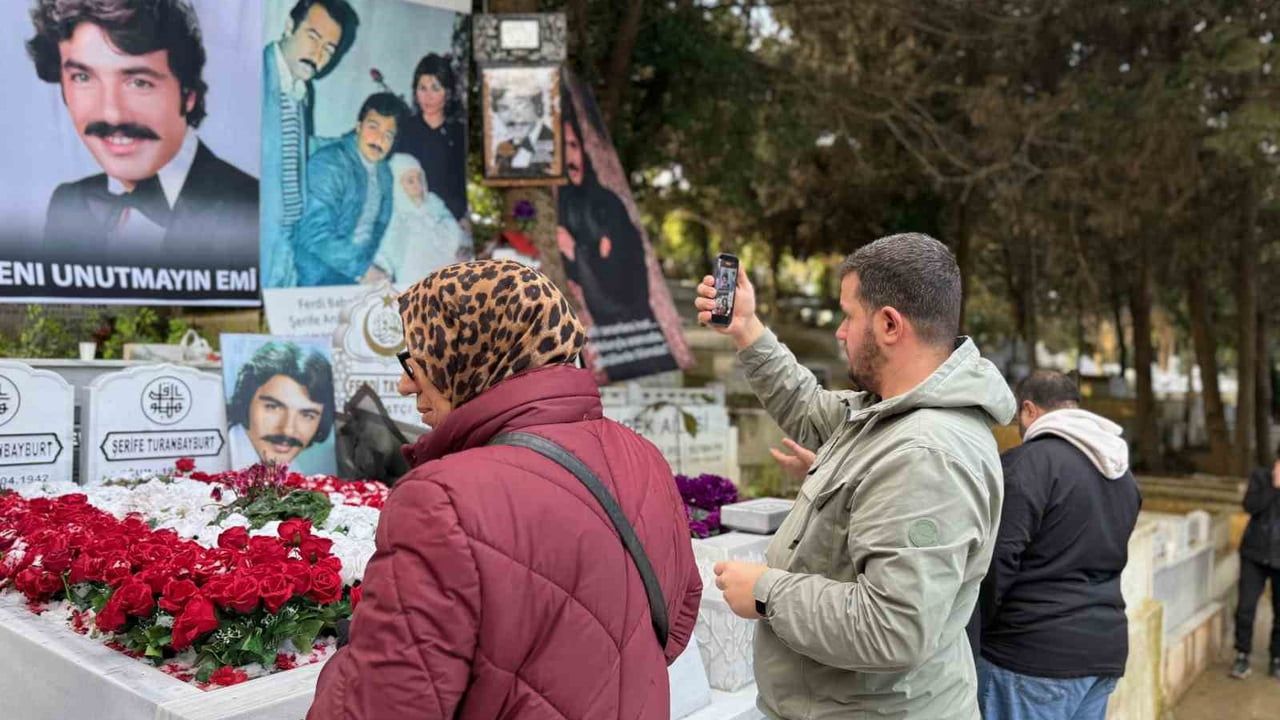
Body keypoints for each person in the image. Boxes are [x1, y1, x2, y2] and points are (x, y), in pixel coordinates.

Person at [308, 259, 702, 719]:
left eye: (416, 360)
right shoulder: (643, 456)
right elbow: (676, 621)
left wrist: (353, 652)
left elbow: (379, 707)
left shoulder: (441, 499)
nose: (404, 381)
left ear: (470, 354)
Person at [694, 233, 1015, 720]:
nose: (841, 333)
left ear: (889, 324)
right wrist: (747, 329)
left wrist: (766, 591)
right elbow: (810, 409)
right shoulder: (891, 415)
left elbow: (892, 627)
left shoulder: (925, 454)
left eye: (848, 316)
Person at [27, 0, 257, 270]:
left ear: (188, 95)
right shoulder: (68, 204)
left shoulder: (252, 207)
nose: (112, 115)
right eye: (82, 77)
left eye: (139, 82)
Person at [977, 370, 1142, 719]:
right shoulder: (1121, 475)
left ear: (1029, 410)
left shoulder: (1027, 465)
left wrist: (978, 632)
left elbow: (997, 563)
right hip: (1102, 652)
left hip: (1031, 657)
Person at [556, 95, 676, 377]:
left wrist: (576, 252)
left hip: (633, 329)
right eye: (561, 149)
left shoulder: (606, 202)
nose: (570, 158)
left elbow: (618, 269)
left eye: (573, 146)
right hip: (604, 337)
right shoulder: (566, 202)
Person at [262, 0, 359, 288]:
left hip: (287, 239)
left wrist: (352, 143)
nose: (318, 53)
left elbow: (295, 147)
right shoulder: (254, 74)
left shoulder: (302, 90)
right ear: (289, 26)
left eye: (329, 48)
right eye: (313, 37)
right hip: (256, 237)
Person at [294, 92, 404, 287]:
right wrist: (363, 270)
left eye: (388, 135)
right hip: (319, 276)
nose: (379, 139)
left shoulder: (385, 172)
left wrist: (371, 267)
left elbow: (378, 227)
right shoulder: (330, 163)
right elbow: (314, 235)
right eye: (373, 127)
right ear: (358, 127)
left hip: (356, 272)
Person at [226, 341, 334, 468]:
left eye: (307, 415)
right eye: (273, 407)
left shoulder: (291, 468)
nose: (287, 430)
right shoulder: (219, 462)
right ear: (245, 401)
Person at [371, 153, 466, 285]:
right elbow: (385, 251)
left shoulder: (434, 203)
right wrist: (382, 270)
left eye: (419, 178)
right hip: (414, 282)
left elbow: (456, 234)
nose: (417, 184)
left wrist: (460, 249)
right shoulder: (394, 213)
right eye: (410, 181)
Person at [395, 54, 467, 223]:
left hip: (449, 219)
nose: (428, 97)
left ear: (448, 93)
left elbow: (462, 186)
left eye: (435, 88)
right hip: (410, 218)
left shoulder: (459, 133)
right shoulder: (404, 130)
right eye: (422, 88)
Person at [1230, 444, 1280, 680]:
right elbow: (1250, 506)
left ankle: (1276, 658)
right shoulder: (1261, 476)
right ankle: (1242, 655)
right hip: (1254, 554)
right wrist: (1274, 486)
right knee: (1246, 608)